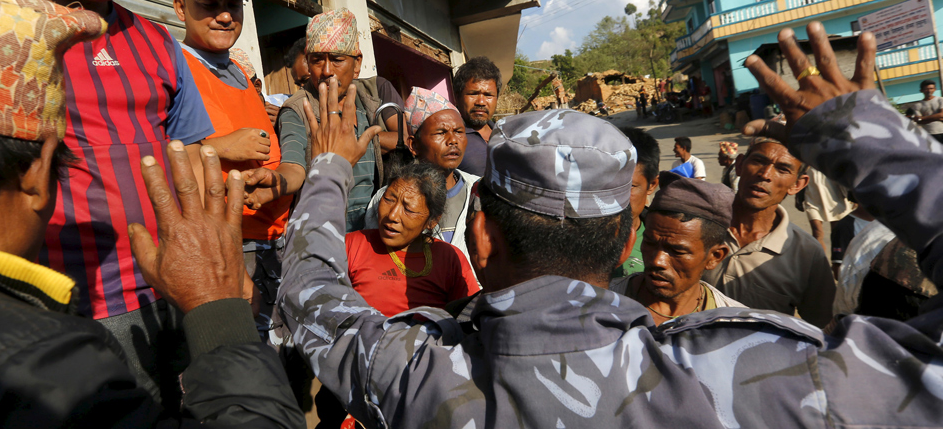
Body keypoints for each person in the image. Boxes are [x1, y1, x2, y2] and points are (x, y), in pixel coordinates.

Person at [275, 21, 943, 427]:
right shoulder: (751, 376)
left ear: (480, 235)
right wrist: (873, 144)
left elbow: (311, 297)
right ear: (628, 239)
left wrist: (329, 169)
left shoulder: (415, 371)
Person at [0, 0, 304, 427]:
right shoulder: (44, 359)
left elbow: (187, 161)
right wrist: (224, 323)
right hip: (108, 297)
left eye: (232, 5)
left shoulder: (172, 51)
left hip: (180, 276)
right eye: (210, 4)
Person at [7, 0, 217, 399]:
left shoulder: (157, 41)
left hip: (177, 286)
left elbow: (193, 157)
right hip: (73, 305)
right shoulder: (4, 34)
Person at [172, 0, 298, 329]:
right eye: (210, 5)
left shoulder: (240, 69)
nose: (225, 16)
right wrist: (220, 146)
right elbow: (151, 153)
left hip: (274, 239)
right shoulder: (173, 68)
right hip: (228, 246)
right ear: (181, 7)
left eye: (233, 5)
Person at [318, 161, 479, 428]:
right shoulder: (354, 245)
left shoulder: (449, 258)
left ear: (432, 220)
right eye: (389, 199)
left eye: (408, 208)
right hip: (354, 376)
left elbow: (465, 322)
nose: (392, 215)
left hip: (421, 382)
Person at [277, 8, 393, 231]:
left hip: (370, 231)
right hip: (324, 230)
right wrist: (277, 182)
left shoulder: (367, 100)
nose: (327, 70)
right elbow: (292, 164)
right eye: (317, 61)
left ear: (357, 64)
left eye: (337, 60)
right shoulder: (297, 109)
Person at [704, 136, 836, 327]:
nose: (765, 174)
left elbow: (822, 326)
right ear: (739, 165)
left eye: (783, 169)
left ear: (797, 185)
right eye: (758, 161)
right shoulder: (698, 225)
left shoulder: (807, 253)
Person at [609, 173, 743, 324]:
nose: (657, 261)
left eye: (677, 251)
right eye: (650, 243)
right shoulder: (601, 302)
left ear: (715, 257)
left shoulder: (734, 324)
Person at [364, 87, 479, 264]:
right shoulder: (388, 199)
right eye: (441, 133)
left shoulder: (479, 190)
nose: (453, 140)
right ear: (414, 145)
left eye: (458, 131)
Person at [611, 127, 660, 278]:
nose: (615, 196)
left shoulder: (664, 246)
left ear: (652, 185)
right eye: (607, 186)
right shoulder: (575, 240)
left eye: (630, 186)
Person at [453, 56, 501, 176]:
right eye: (473, 94)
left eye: (488, 95)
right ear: (457, 97)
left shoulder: (505, 133)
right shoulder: (450, 138)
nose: (481, 102)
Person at [909, 79, 943, 143]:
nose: (929, 91)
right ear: (921, 90)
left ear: (935, 89)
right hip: (928, 135)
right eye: (926, 89)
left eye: (931, 88)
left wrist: (923, 118)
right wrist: (937, 117)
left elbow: (942, 115)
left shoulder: (940, 100)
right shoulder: (917, 105)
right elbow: (919, 121)